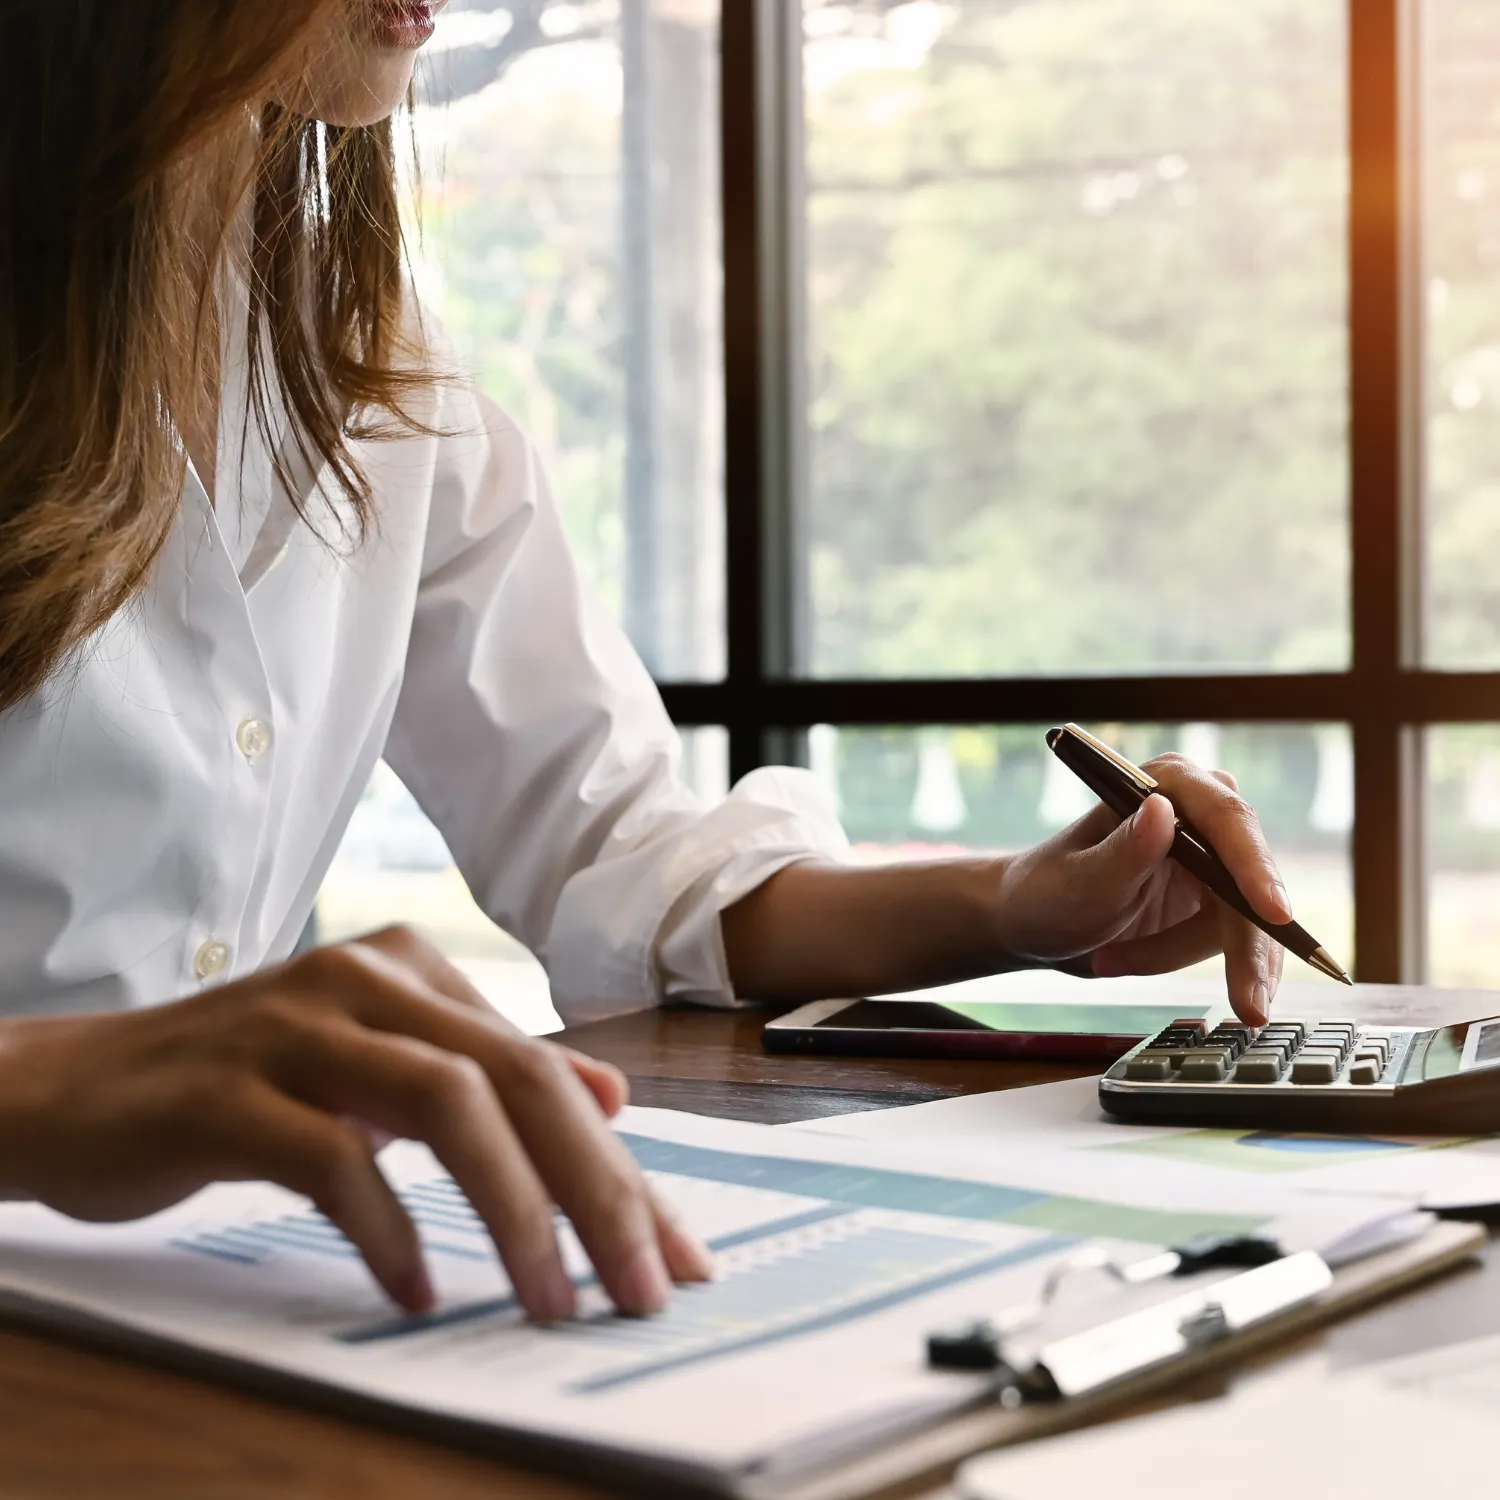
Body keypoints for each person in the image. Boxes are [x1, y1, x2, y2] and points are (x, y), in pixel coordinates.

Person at [0, 0, 1293, 1323]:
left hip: (193, 1308)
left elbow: (620, 856)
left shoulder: (366, 368)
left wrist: (1021, 903)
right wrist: (46, 1086)